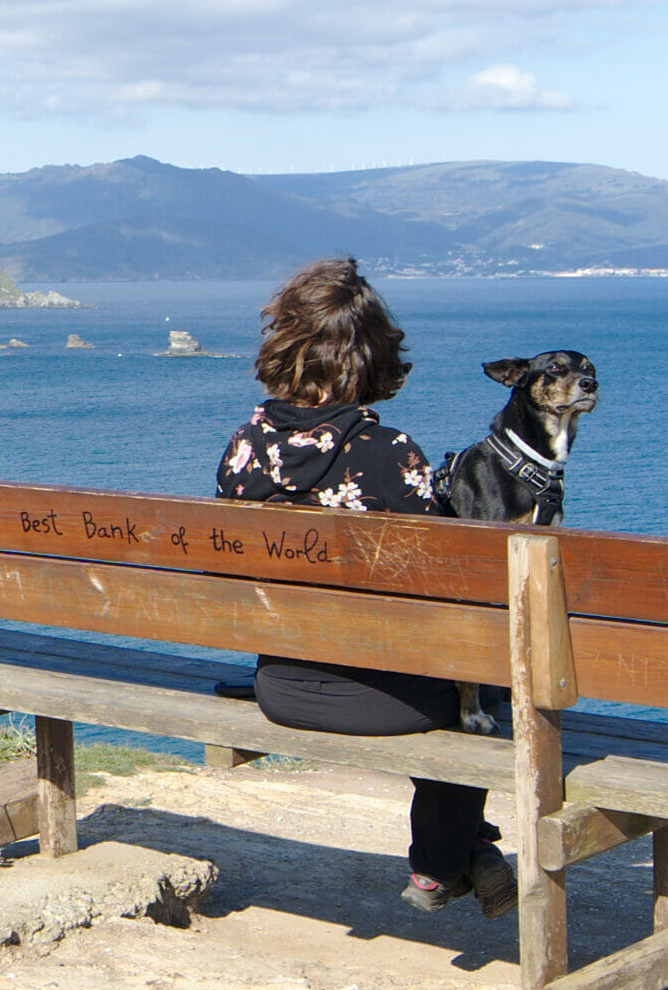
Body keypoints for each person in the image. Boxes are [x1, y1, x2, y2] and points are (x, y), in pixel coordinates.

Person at [214, 257, 516, 918]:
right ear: (371, 358)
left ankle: (471, 845)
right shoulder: (393, 454)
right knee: (485, 670)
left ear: (286, 345)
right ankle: (444, 860)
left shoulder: (242, 447)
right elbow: (448, 594)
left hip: (281, 686)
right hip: (384, 703)